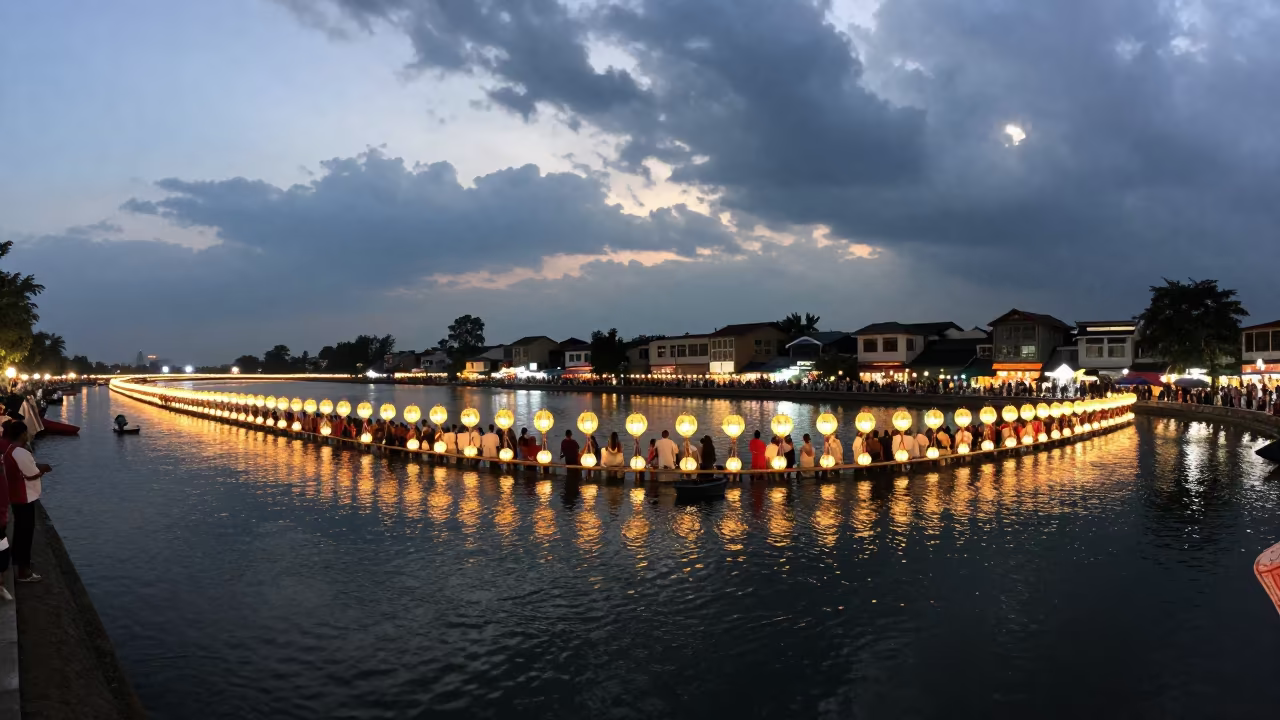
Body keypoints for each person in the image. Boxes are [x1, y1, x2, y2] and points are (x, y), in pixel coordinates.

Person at [4, 421, 49, 583]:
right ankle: (23, 571)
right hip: (24, 497)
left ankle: (20, 562)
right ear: (22, 434)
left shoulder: (10, 450)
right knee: (25, 534)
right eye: (27, 432)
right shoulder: (20, 453)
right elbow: (32, 474)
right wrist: (43, 469)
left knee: (20, 532)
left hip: (16, 496)